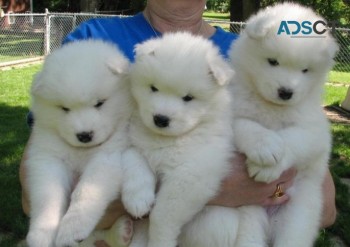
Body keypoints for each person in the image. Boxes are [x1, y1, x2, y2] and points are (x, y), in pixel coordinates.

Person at [20, 0, 337, 245]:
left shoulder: (246, 54)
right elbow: (38, 184)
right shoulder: (94, 39)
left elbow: (323, 206)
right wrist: (207, 188)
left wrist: (271, 190)